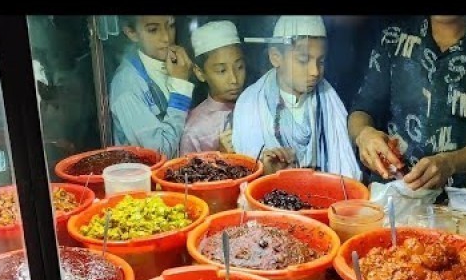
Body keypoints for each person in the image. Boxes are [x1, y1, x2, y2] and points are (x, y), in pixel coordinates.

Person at [348, 16, 466, 190]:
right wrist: (365, 135)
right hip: (396, 190)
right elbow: (362, 109)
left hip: (464, 199)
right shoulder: (394, 36)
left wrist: (450, 163)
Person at [232, 16, 361, 179]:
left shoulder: (329, 99)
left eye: (321, 61)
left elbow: (346, 173)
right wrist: (267, 170)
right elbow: (246, 174)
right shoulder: (250, 103)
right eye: (303, 60)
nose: (315, 71)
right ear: (276, 57)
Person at [109, 15, 195, 158]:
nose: (166, 38)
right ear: (132, 33)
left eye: (171, 26)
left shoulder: (178, 65)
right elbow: (159, 154)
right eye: (153, 30)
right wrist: (181, 88)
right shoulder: (127, 87)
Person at [179, 21, 245, 155]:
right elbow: (185, 174)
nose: (234, 79)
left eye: (239, 67)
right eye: (221, 71)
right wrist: (220, 156)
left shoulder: (257, 107)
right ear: (200, 73)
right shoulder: (194, 130)